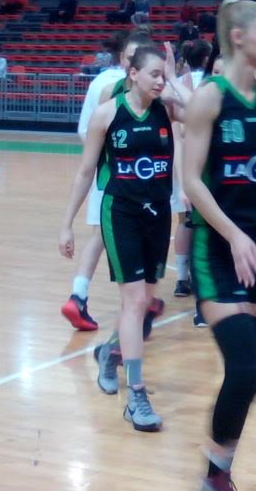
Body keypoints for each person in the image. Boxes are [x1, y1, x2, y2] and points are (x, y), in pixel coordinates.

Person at [182, 0, 256, 491]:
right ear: (239, 37)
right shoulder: (209, 98)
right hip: (219, 250)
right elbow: (191, 181)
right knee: (245, 370)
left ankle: (218, 470)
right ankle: (215, 472)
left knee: (250, 374)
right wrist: (234, 234)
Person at [57, 45, 180, 432]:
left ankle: (110, 352)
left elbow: (198, 113)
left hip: (159, 212)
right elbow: (85, 172)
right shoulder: (107, 114)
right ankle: (136, 395)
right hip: (121, 212)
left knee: (145, 303)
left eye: (163, 74)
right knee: (135, 300)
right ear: (133, 74)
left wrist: (175, 79)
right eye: (155, 74)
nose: (160, 81)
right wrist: (66, 223)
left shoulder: (168, 108)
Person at [60, 32, 152, 333]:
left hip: (116, 177)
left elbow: (85, 131)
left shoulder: (105, 84)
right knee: (123, 240)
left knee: (101, 237)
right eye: (131, 57)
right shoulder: (114, 93)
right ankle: (135, 311)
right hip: (119, 181)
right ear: (124, 60)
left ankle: (80, 294)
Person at [172, 39, 214, 327]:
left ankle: (181, 278)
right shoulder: (207, 86)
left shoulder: (182, 84)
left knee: (185, 224)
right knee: (200, 229)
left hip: (191, 165)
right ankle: (202, 295)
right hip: (198, 168)